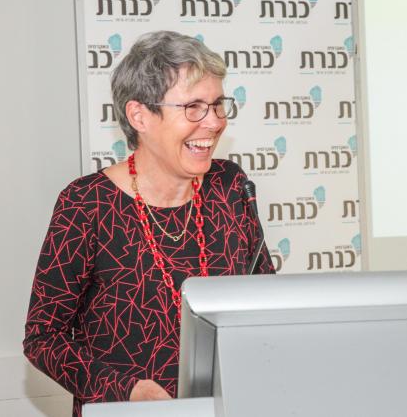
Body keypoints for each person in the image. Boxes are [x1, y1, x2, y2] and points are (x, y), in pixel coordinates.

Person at [23, 31, 274, 416]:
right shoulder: (87, 203)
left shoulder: (231, 186)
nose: (213, 122)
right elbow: (44, 339)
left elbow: (267, 304)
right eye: (193, 107)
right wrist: (125, 391)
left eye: (217, 105)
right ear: (139, 115)